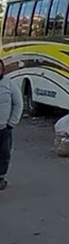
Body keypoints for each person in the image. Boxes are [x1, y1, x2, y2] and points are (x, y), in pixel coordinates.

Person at [0, 59, 23, 190]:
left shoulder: (9, 84)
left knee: (3, 154)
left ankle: (1, 177)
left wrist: (12, 123)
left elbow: (18, 104)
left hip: (4, 128)